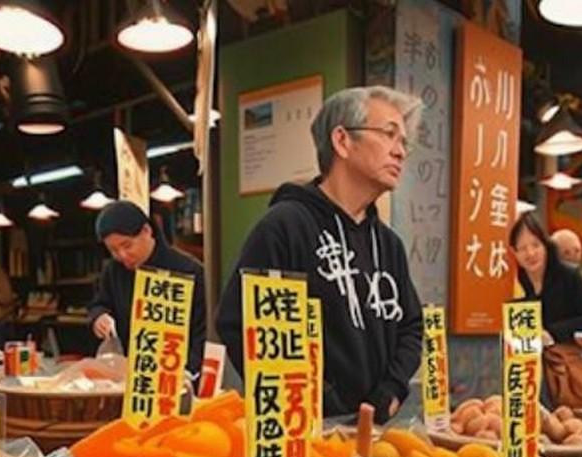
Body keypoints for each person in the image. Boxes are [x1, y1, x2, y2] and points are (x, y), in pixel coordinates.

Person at [215, 86, 423, 423]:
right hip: (306, 431)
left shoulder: (389, 244)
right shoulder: (285, 226)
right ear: (342, 141)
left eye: (404, 141)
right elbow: (237, 322)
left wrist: (392, 390)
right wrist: (313, 399)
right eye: (389, 134)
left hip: (376, 430)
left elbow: (412, 326)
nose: (400, 152)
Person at [86, 200, 208, 370]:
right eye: (113, 250)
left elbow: (202, 332)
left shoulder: (188, 270)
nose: (122, 255)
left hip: (178, 375)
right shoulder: (113, 270)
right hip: (131, 374)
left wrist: (190, 372)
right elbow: (100, 303)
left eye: (127, 245)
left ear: (146, 231)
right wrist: (99, 317)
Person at [510, 214, 582, 341]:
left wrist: (552, 333)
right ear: (514, 252)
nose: (530, 253)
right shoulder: (516, 281)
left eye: (536, 245)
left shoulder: (570, 275)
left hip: (564, 355)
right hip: (525, 357)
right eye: (523, 248)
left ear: (545, 245)